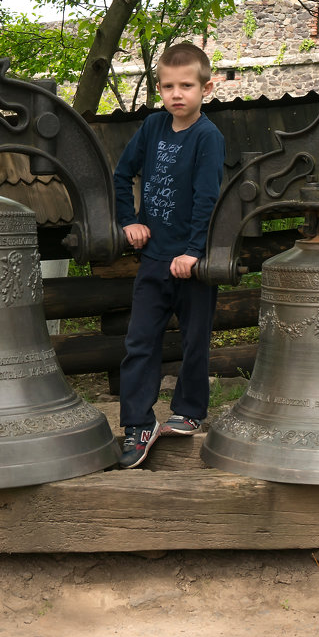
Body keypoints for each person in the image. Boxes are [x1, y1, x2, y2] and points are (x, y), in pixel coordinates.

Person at [112, 42, 226, 468]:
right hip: (155, 259)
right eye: (167, 86)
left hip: (191, 264)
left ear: (206, 88)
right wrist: (129, 221)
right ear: (158, 89)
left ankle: (190, 411)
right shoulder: (153, 127)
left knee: (195, 339)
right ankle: (137, 425)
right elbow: (123, 174)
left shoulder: (207, 138)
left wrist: (194, 252)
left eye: (186, 86)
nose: (176, 94)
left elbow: (207, 198)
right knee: (140, 341)